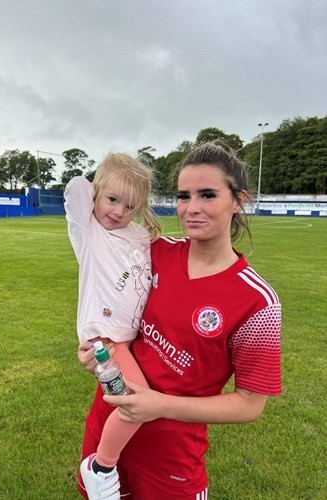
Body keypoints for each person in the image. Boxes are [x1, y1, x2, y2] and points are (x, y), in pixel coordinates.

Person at [77, 140, 282, 499]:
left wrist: (162, 404)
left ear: (239, 200)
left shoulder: (257, 301)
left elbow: (251, 404)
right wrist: (96, 351)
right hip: (107, 421)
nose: (191, 208)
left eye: (207, 195)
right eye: (184, 196)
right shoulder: (151, 252)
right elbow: (108, 301)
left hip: (170, 458)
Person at [64, 152, 161, 500]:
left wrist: (119, 192)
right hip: (105, 339)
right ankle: (101, 467)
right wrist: (100, 182)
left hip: (128, 341)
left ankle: (104, 465)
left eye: (129, 206)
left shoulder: (135, 235)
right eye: (111, 199)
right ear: (97, 193)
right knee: (136, 403)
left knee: (131, 402)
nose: (118, 211)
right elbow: (75, 187)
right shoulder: (89, 231)